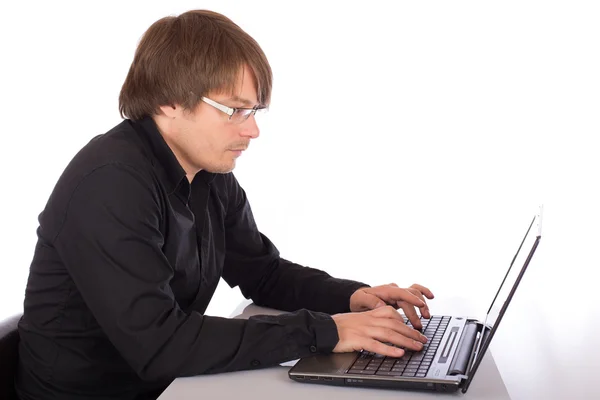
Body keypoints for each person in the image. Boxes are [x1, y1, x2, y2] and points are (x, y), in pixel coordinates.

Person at [15, 9, 434, 400]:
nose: (252, 130)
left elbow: (263, 273)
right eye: (234, 110)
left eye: (253, 110)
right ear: (169, 101)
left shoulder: (210, 176)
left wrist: (352, 297)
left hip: (166, 387)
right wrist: (326, 331)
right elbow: (160, 343)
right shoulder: (110, 183)